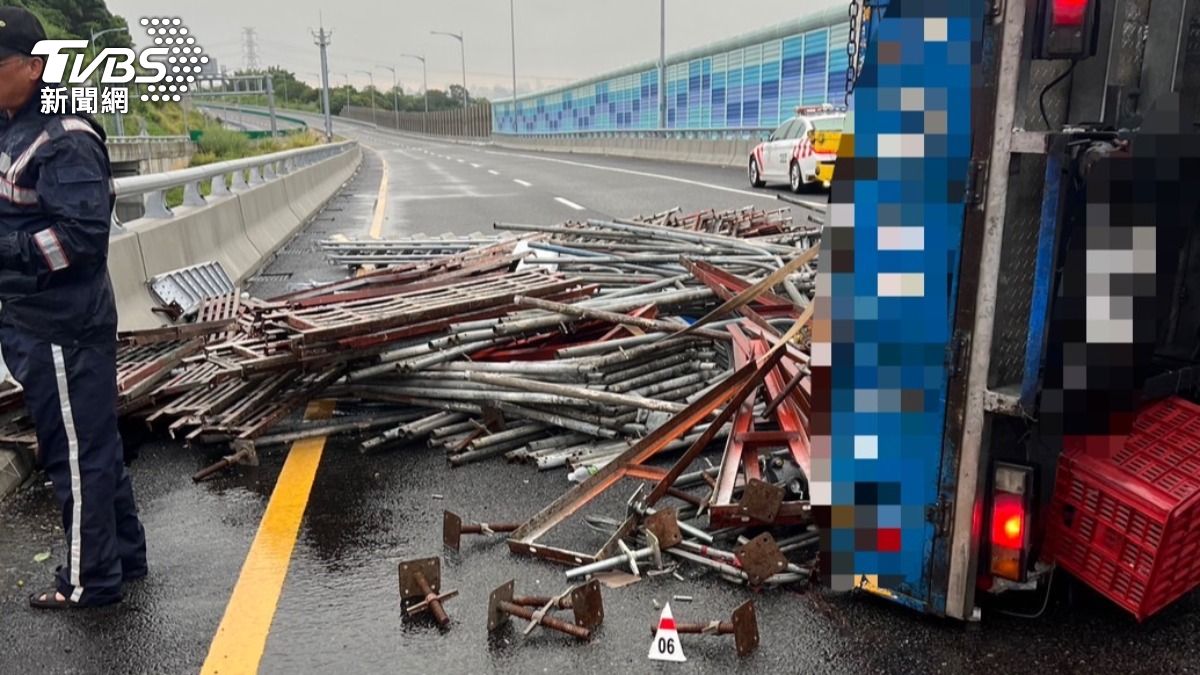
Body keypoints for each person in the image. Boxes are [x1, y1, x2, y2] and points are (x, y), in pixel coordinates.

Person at [0, 7, 146, 609]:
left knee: (76, 454)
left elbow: (82, 239)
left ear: (33, 68)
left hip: (63, 323)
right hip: (32, 319)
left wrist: (6, 250)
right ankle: (126, 558)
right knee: (93, 443)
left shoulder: (63, 138)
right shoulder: (12, 123)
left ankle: (92, 583)